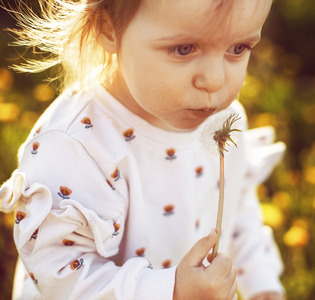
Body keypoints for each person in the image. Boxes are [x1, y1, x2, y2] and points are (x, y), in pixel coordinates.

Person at [0, 0, 286, 299]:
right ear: (107, 28)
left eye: (238, 48)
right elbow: (61, 276)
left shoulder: (223, 123)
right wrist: (168, 290)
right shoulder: (76, 146)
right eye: (184, 49)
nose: (215, 81)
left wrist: (260, 281)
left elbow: (235, 205)